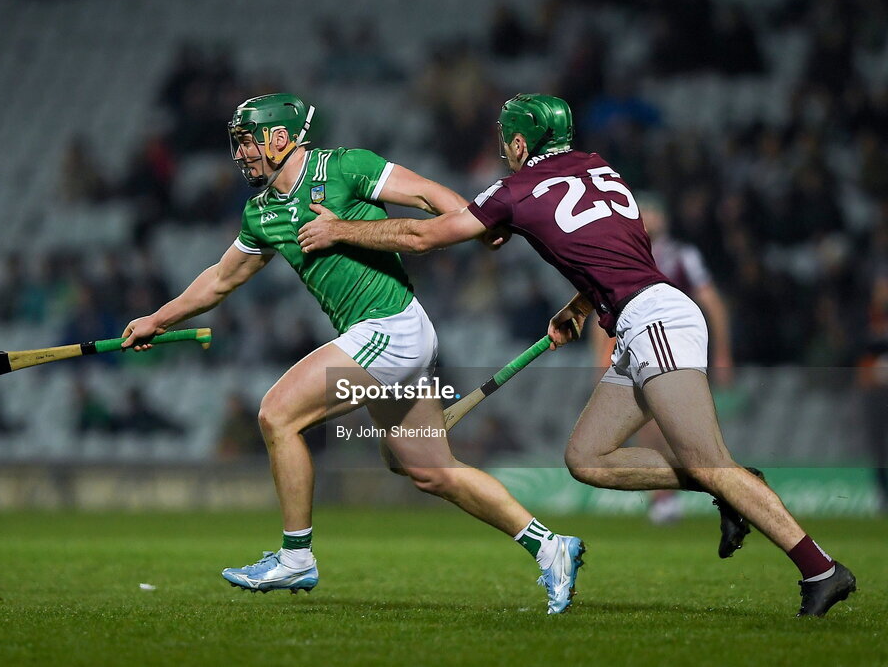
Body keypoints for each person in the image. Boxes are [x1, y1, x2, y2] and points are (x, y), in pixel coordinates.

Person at [298, 94, 856, 617]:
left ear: (520, 143)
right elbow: (615, 253)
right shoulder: (600, 167)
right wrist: (581, 305)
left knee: (710, 457)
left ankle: (820, 569)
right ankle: (733, 484)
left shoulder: (514, 189)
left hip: (653, 320)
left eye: (506, 139)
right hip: (641, 315)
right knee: (588, 458)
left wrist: (338, 230)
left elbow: (424, 238)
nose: (504, 148)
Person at [122, 94, 585, 613]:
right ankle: (550, 547)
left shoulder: (344, 167)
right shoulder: (262, 213)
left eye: (247, 142)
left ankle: (296, 557)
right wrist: (157, 320)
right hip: (389, 336)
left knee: (277, 414)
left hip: (391, 326)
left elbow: (428, 193)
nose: (240, 154)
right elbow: (220, 279)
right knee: (432, 470)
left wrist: (476, 225)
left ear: (280, 138)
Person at [587, 193, 737, 526]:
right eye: (645, 212)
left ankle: (720, 486)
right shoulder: (624, 254)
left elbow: (713, 303)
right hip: (639, 347)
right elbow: (602, 311)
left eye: (655, 212)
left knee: (676, 428)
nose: (649, 218)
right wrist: (600, 356)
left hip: (677, 343)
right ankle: (672, 496)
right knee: (653, 425)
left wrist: (724, 353)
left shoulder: (682, 255)